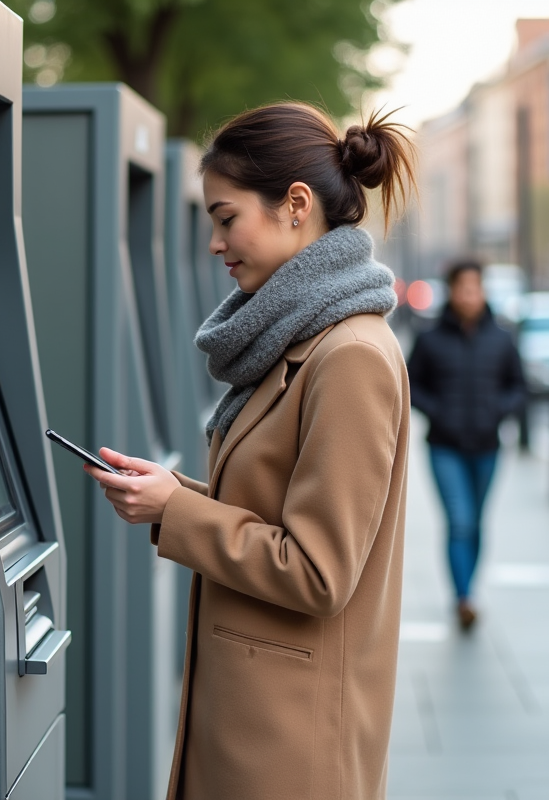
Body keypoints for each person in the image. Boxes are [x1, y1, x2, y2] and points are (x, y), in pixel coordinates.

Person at [82, 103, 415, 800]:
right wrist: (172, 498)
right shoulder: (304, 338)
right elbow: (280, 514)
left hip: (292, 746)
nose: (215, 242)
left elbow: (320, 571)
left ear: (296, 205)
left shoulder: (349, 355)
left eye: (226, 217)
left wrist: (180, 512)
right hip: (262, 725)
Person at [405, 259, 526, 631]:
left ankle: (468, 589)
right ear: (452, 291)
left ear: (483, 291)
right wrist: (438, 413)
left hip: (488, 446)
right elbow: (410, 385)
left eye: (476, 288)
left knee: (475, 523)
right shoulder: (429, 339)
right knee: (459, 521)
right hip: (445, 446)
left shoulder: (502, 338)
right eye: (463, 288)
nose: (469, 295)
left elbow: (518, 387)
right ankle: (463, 598)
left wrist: (498, 411)